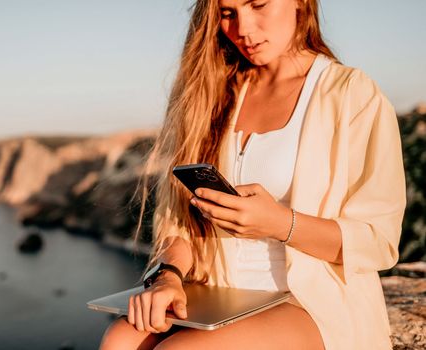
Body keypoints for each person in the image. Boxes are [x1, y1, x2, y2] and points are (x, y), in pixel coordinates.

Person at [100, 0, 406, 349]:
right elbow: (180, 222)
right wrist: (168, 277)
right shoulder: (212, 93)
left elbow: (378, 241)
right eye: (227, 13)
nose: (242, 29)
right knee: (120, 340)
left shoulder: (352, 94)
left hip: (312, 302)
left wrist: (280, 224)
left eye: (258, 4)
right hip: (219, 295)